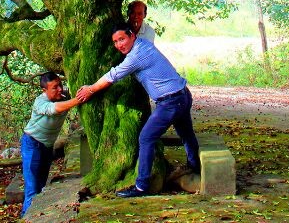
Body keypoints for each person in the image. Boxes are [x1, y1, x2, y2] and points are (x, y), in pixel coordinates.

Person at [76, 24, 199, 197]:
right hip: (182, 95)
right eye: (115, 42)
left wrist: (91, 89)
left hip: (171, 101)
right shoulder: (143, 44)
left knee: (146, 137)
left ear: (132, 36)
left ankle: (141, 187)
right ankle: (195, 167)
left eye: (122, 39)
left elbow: (114, 75)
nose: (119, 45)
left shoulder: (136, 56)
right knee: (186, 133)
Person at [21, 72, 81, 216]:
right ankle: (26, 217)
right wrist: (80, 99)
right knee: (32, 189)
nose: (60, 89)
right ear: (44, 90)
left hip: (47, 147)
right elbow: (55, 109)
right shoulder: (40, 102)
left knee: (41, 186)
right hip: (32, 144)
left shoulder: (63, 94)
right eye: (55, 87)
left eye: (60, 84)